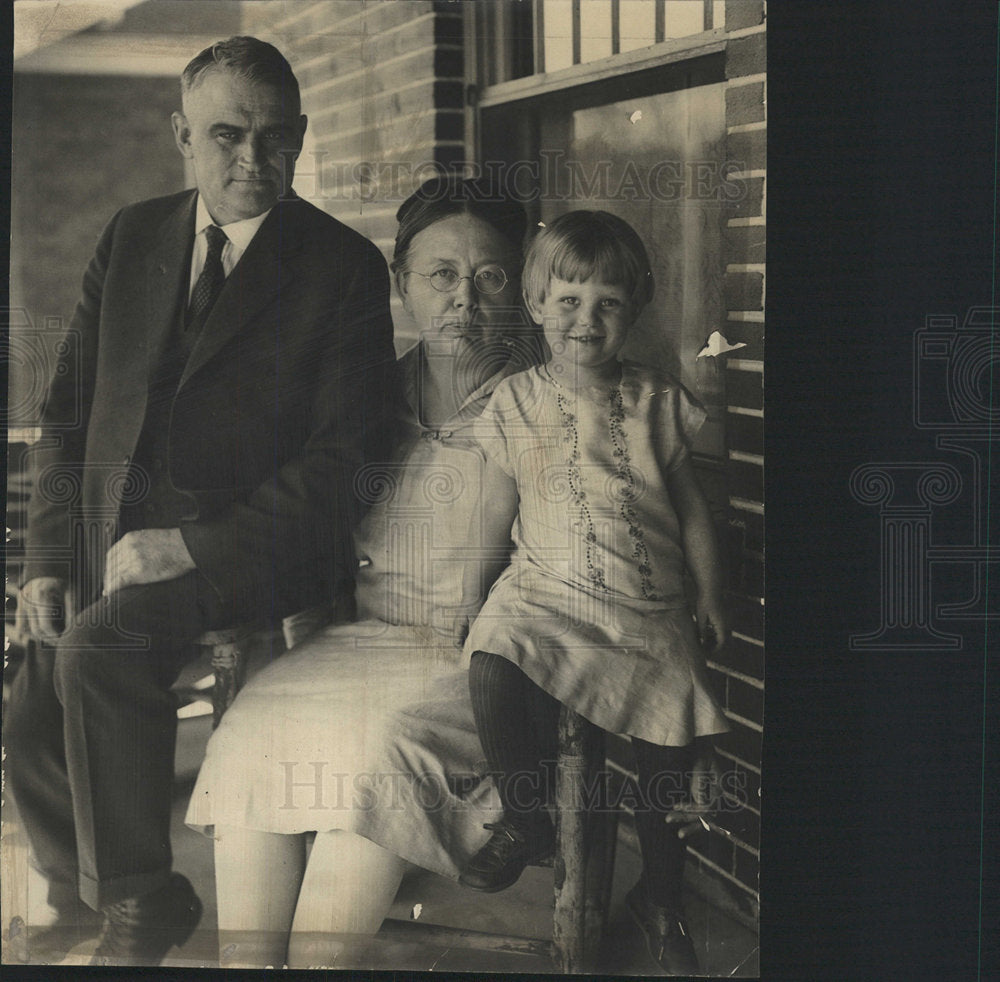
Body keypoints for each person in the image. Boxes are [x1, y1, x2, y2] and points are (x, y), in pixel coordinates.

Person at [5, 36, 397, 967]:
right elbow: (68, 414)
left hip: (252, 551)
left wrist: (190, 546)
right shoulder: (131, 235)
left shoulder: (341, 265)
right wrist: (49, 562)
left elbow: (347, 462)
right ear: (182, 134)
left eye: (276, 137)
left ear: (301, 135)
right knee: (27, 714)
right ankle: (110, 889)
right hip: (111, 539)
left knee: (96, 656)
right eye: (227, 135)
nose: (253, 159)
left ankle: (136, 912)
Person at [184, 176, 539, 968]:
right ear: (402, 282)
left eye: (491, 276)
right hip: (360, 644)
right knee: (253, 729)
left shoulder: (546, 406)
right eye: (442, 274)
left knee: (379, 757)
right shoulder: (367, 397)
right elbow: (305, 528)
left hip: (485, 661)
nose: (465, 299)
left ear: (522, 288)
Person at [451, 210, 730, 975]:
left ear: (634, 310)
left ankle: (661, 900)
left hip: (645, 604)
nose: (586, 320)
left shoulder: (656, 399)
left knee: (666, 751)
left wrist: (711, 593)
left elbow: (693, 511)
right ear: (537, 303)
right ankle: (527, 814)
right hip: (546, 593)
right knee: (492, 663)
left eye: (609, 303)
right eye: (569, 301)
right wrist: (472, 597)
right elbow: (492, 513)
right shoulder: (514, 401)